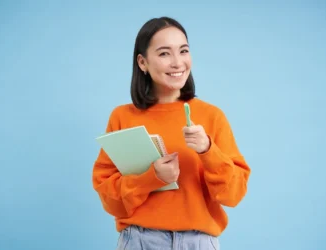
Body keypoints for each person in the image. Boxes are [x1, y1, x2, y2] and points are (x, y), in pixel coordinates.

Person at [92, 16, 251, 250]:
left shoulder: (211, 116)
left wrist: (208, 150)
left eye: (183, 51)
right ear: (143, 62)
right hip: (140, 241)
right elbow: (110, 201)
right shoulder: (123, 117)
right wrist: (152, 177)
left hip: (199, 243)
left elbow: (234, 195)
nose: (178, 62)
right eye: (164, 53)